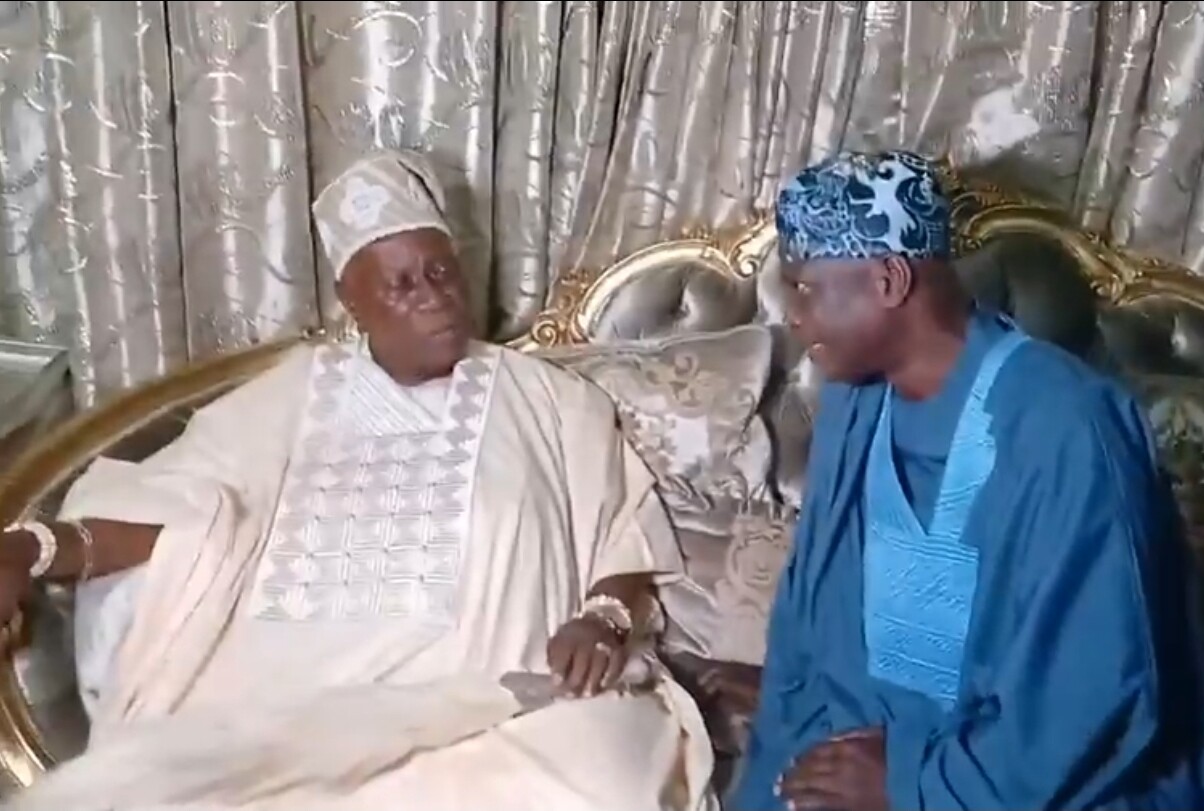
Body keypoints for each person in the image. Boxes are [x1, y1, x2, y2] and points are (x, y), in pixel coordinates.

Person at [0, 150, 715, 811]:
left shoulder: (551, 401)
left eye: (441, 273)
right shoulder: (290, 397)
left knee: (606, 780)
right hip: (293, 708)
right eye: (401, 284)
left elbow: (620, 540)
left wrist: (604, 618)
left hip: (500, 706)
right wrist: (30, 548)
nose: (433, 297)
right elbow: (183, 514)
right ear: (354, 304)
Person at [722, 151, 1204, 811]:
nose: (792, 314)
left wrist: (910, 781)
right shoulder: (852, 402)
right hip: (859, 762)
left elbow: (1093, 700)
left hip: (1036, 787)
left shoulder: (1067, 427)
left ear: (889, 278)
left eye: (805, 288)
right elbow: (806, 636)